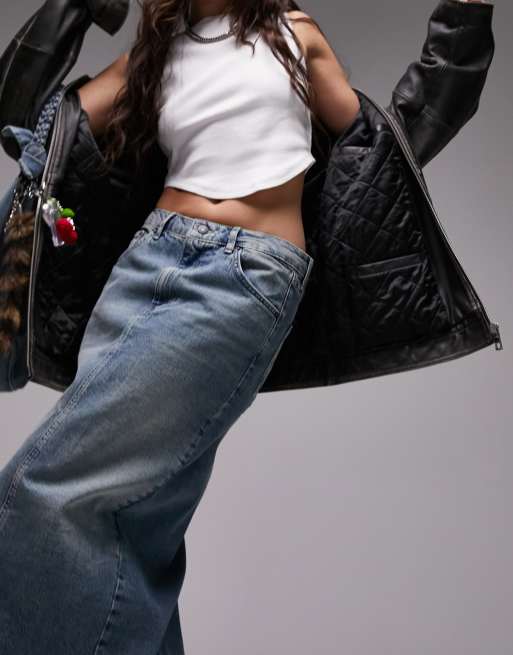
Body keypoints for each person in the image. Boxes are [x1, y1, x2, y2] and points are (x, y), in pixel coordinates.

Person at [0, 1, 360, 652]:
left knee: (43, 492)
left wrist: (464, 25)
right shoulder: (157, 52)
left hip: (243, 273)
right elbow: (25, 121)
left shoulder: (294, 34)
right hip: (145, 263)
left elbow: (379, 150)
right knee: (137, 527)